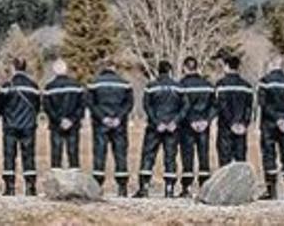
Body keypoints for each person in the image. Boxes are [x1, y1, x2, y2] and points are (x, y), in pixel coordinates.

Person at [135, 60, 185, 199]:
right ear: (170, 71)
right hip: (172, 128)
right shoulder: (179, 87)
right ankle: (169, 190)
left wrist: (158, 122)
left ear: (158, 71)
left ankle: (144, 188)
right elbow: (185, 107)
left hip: (154, 127)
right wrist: (174, 122)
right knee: (170, 157)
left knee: (148, 156)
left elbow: (146, 106)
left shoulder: (151, 87)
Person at [87, 60, 134, 197]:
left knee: (99, 155)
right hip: (119, 125)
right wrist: (118, 117)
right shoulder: (125, 84)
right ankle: (122, 188)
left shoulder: (94, 83)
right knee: (120, 155)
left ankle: (97, 187)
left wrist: (103, 117)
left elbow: (90, 103)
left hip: (100, 124)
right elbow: (129, 103)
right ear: (114, 68)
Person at [258, 56, 284, 200]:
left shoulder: (264, 82)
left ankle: (271, 191)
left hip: (269, 124)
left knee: (269, 155)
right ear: (281, 65)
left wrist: (277, 119)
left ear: (271, 64)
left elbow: (263, 104)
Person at [0, 58, 40, 196]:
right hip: (28, 125)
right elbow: (37, 106)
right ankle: (30, 186)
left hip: (10, 125)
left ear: (13, 68)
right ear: (25, 68)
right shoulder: (33, 86)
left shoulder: (7, 85)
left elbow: (0, 106)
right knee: (29, 156)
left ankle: (9, 187)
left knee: (9, 156)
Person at [177, 56, 215, 197]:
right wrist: (206, 120)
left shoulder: (181, 85)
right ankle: (204, 187)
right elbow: (214, 106)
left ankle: (186, 188)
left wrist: (191, 120)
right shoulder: (208, 85)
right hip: (204, 126)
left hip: (187, 126)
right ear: (197, 67)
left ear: (185, 68)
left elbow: (181, 107)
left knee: (187, 156)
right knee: (203, 155)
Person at [43, 59, 85, 170]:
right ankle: (75, 179)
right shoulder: (77, 86)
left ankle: (56, 180)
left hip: (56, 125)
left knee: (56, 153)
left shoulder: (49, 87)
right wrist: (72, 119)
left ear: (54, 70)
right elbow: (82, 105)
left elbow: (47, 107)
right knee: (73, 152)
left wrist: (59, 120)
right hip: (73, 124)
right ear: (66, 70)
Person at [213, 55, 253, 167]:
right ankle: (240, 184)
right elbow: (249, 107)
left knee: (225, 161)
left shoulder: (221, 85)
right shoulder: (247, 86)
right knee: (240, 160)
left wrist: (231, 123)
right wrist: (244, 124)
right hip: (241, 128)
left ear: (226, 66)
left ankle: (226, 184)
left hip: (225, 128)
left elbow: (221, 106)